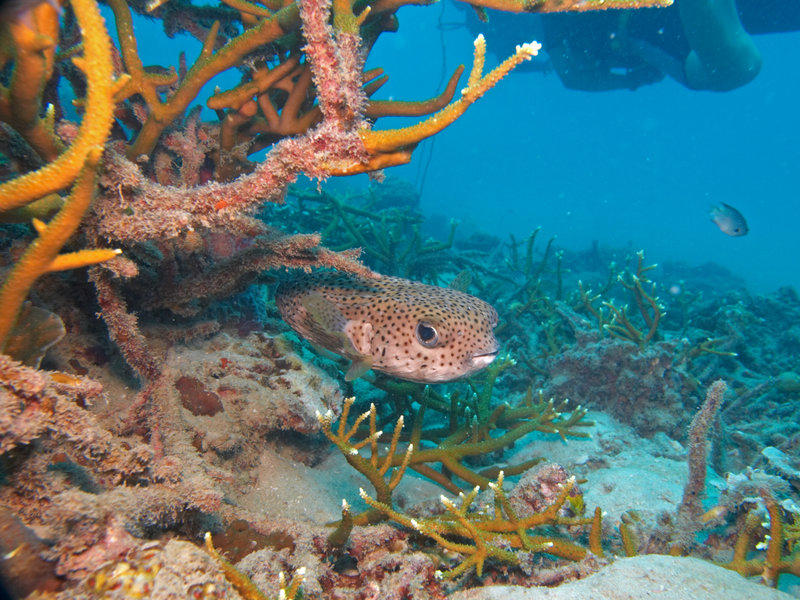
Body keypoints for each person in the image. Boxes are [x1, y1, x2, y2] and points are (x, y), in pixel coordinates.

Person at [462, 0, 800, 92]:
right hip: (669, 31)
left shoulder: (552, 16)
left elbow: (573, 77)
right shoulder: (553, 20)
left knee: (728, 72)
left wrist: (635, 79)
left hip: (654, 33)